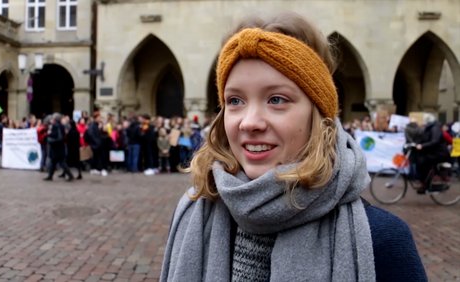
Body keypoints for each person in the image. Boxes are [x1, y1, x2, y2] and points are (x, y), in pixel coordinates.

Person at [161, 12, 427, 282]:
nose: (249, 122)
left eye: (276, 99)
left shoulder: (383, 240)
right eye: (235, 101)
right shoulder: (192, 214)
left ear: (318, 114)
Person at [415, 113, 451, 193]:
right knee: (420, 161)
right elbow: (424, 138)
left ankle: (426, 184)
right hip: (434, 151)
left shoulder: (435, 128)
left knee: (424, 161)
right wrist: (416, 144)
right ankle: (424, 183)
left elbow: (435, 141)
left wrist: (422, 146)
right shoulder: (428, 128)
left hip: (439, 153)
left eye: (425, 120)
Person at [43, 113, 74, 181]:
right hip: (58, 147)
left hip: (57, 147)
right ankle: (50, 176)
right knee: (54, 162)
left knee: (61, 163)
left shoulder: (56, 126)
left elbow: (58, 137)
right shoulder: (61, 126)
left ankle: (70, 175)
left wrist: (49, 139)